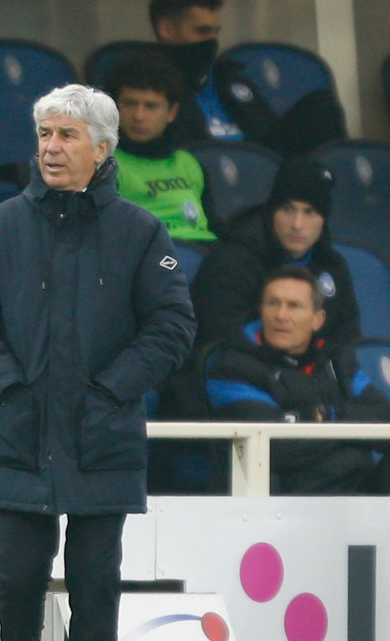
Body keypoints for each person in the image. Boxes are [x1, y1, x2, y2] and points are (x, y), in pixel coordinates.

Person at [0, 84, 195, 641]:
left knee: (96, 588)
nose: (51, 148)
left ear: (102, 148)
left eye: (66, 136)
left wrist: (111, 391)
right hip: (20, 433)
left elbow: (173, 325)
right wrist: (9, 383)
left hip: (102, 437)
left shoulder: (143, 232)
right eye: (44, 135)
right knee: (17, 581)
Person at [207, 265, 390, 493]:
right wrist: (351, 432)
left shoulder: (337, 362)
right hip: (288, 499)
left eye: (294, 306)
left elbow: (384, 419)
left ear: (317, 319)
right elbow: (275, 448)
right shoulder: (233, 368)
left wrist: (327, 416)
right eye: (273, 303)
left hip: (359, 490)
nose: (281, 315)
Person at [191, 156, 360, 350]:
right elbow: (222, 344)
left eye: (309, 212)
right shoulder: (229, 263)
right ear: (272, 212)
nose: (297, 224)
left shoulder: (333, 266)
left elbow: (349, 343)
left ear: (323, 220)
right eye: (288, 209)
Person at [149, 0, 345, 156]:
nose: (211, 41)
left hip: (261, 171)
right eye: (202, 31)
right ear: (167, 30)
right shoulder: (149, 86)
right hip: (202, 177)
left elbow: (268, 134)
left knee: (320, 107)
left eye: (215, 32)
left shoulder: (230, 79)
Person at [106, 50, 217, 243]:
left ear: (171, 112)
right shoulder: (103, 165)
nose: (139, 116)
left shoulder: (189, 163)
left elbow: (212, 225)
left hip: (204, 251)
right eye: (130, 104)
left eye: (151, 106)